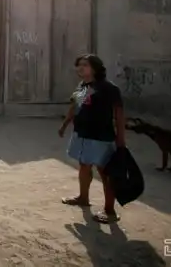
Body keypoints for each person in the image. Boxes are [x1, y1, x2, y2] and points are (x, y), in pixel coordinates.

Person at [59, 54, 126, 224]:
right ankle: (83, 197)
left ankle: (109, 211)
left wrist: (121, 138)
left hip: (101, 136)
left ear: (95, 68)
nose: (80, 68)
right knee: (84, 166)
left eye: (85, 65)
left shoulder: (109, 88)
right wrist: (65, 125)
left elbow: (119, 114)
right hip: (82, 134)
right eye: (79, 65)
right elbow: (75, 107)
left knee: (105, 173)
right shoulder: (82, 86)